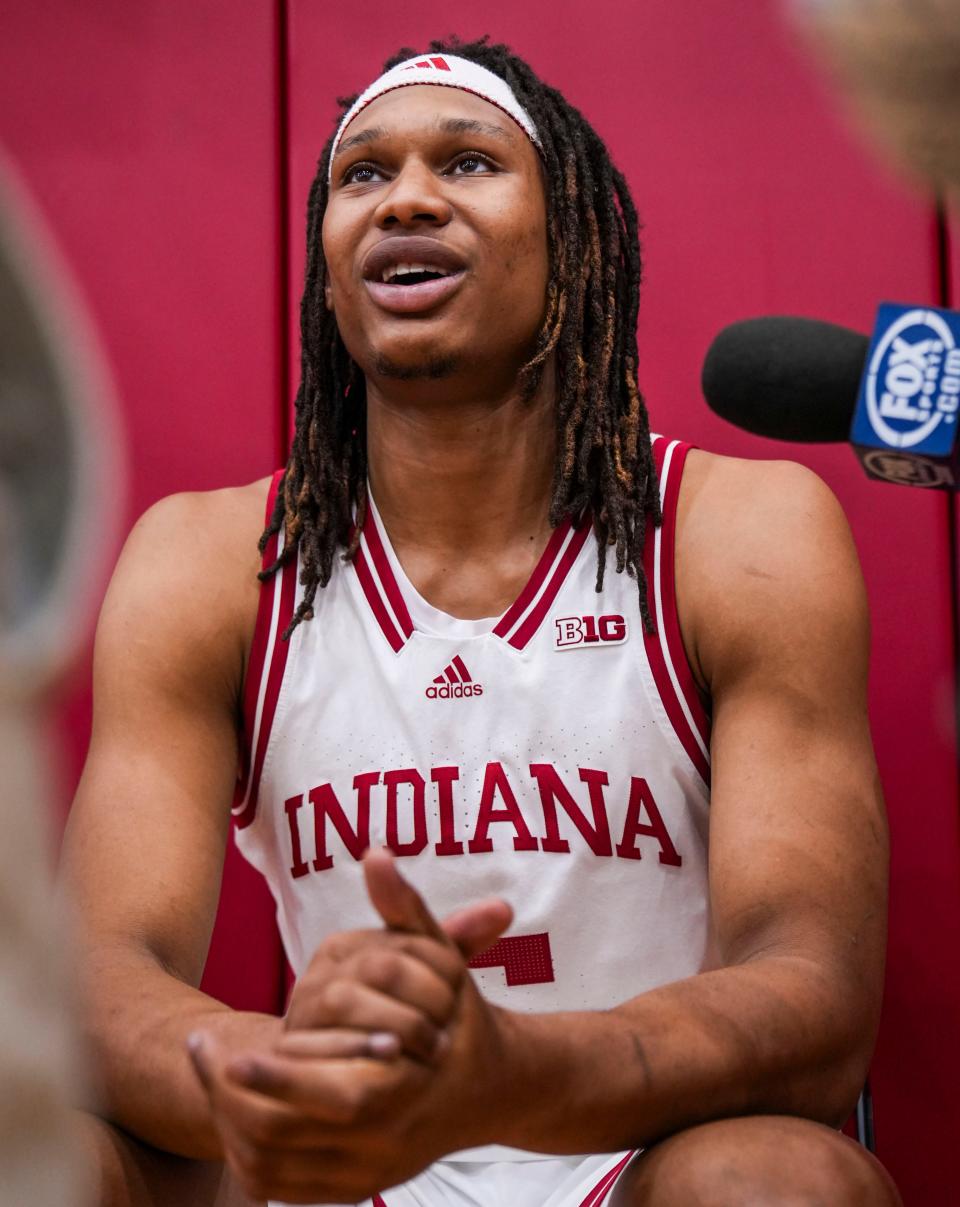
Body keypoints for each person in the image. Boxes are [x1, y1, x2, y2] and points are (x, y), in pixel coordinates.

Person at [64, 36, 903, 1207]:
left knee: (779, 1180)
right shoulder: (213, 561)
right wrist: (274, 1073)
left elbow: (812, 987)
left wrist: (506, 1074)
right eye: (363, 175)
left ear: (575, 242)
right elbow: (100, 972)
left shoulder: (735, 533)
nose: (405, 196)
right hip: (341, 1153)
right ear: (327, 260)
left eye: (466, 163)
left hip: (629, 1145)